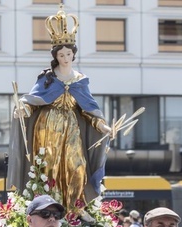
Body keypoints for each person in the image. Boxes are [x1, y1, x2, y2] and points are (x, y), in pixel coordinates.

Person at [7, 5, 111, 214]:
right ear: (56, 56)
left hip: (72, 128)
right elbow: (32, 100)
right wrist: (23, 110)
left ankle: (76, 209)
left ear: (74, 55)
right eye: (61, 54)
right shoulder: (48, 78)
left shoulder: (80, 80)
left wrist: (102, 125)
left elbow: (89, 110)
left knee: (77, 167)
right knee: (48, 168)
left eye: (69, 54)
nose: (65, 57)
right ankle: (47, 208)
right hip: (47, 128)